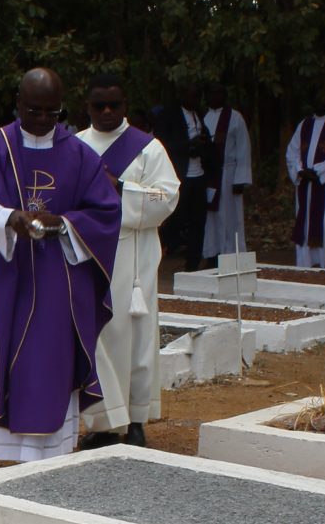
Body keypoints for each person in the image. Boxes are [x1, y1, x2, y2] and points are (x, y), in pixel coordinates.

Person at [0, 68, 121, 462]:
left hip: (61, 276)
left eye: (52, 112)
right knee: (12, 354)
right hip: (12, 271)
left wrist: (63, 223)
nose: (44, 120)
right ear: (18, 104)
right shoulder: (0, 148)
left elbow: (106, 211)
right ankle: (13, 453)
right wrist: (9, 219)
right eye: (35, 111)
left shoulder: (79, 153)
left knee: (52, 359)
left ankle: (55, 450)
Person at [77, 74, 177, 448]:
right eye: (98, 104)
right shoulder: (76, 146)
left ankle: (135, 421)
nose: (106, 111)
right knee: (97, 338)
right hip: (88, 256)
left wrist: (121, 190)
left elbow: (167, 198)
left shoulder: (148, 149)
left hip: (134, 258)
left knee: (135, 338)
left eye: (114, 105)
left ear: (125, 106)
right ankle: (103, 423)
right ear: (87, 107)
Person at [285, 97, 325, 269]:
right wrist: (300, 170)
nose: (320, 101)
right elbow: (292, 152)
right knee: (305, 223)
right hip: (305, 183)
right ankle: (305, 264)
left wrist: (318, 171)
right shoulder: (304, 124)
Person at [151, 83, 208, 271]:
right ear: (183, 95)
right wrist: (188, 145)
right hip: (179, 175)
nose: (195, 100)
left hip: (198, 175)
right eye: (191, 96)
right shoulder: (169, 115)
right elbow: (161, 144)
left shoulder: (200, 114)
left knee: (198, 220)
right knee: (175, 218)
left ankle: (193, 262)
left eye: (197, 96)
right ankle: (162, 251)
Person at [201, 81, 252, 261]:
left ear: (225, 95)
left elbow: (243, 148)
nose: (215, 97)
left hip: (229, 175)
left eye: (219, 93)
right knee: (210, 216)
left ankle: (232, 253)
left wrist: (241, 179)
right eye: (211, 93)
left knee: (231, 216)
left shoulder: (235, 118)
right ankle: (211, 253)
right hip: (209, 176)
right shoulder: (202, 117)